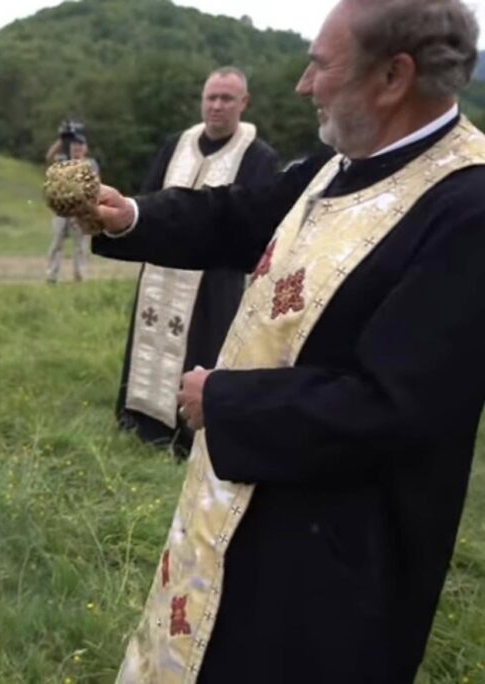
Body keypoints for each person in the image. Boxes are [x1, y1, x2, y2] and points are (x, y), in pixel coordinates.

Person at [90, 1, 485, 681]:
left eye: (320, 65)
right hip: (252, 501)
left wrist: (225, 400)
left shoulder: (467, 209)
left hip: (332, 553)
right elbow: (241, 216)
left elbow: (397, 406)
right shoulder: (338, 162)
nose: (305, 85)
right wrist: (132, 216)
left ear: (393, 77)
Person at [108, 67, 279, 459]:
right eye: (211, 97)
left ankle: (188, 435)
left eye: (226, 99)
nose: (217, 106)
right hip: (159, 273)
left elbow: (256, 223)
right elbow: (148, 201)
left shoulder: (258, 156)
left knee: (204, 348)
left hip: (214, 280)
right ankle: (139, 420)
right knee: (148, 340)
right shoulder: (175, 145)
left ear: (244, 103)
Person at [44, 122, 100, 284]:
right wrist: (62, 139)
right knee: (56, 243)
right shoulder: (63, 160)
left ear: (86, 148)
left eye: (81, 145)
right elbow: (49, 157)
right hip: (61, 210)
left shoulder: (90, 164)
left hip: (81, 211)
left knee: (80, 246)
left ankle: (79, 276)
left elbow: (96, 185)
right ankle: (51, 275)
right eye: (75, 145)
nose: (77, 148)